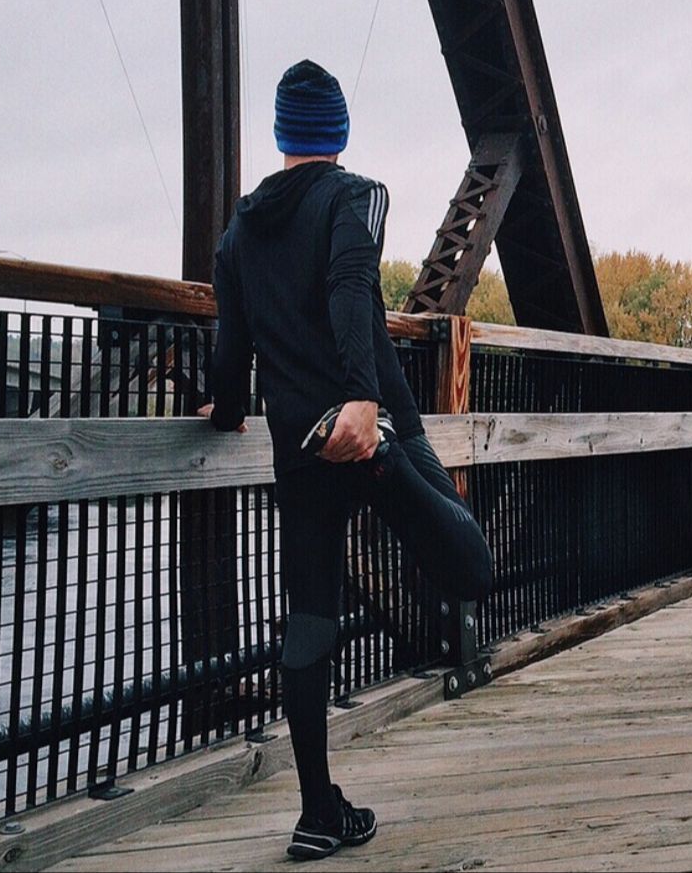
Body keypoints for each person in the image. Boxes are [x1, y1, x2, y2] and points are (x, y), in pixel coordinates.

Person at [198, 59, 493, 861]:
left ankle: (317, 811)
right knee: (470, 568)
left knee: (310, 620)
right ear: (337, 131)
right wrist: (367, 408)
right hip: (370, 431)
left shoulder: (236, 234)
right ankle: (387, 465)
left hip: (298, 449)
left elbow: (232, 352)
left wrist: (222, 412)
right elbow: (349, 286)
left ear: (280, 135)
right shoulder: (355, 197)